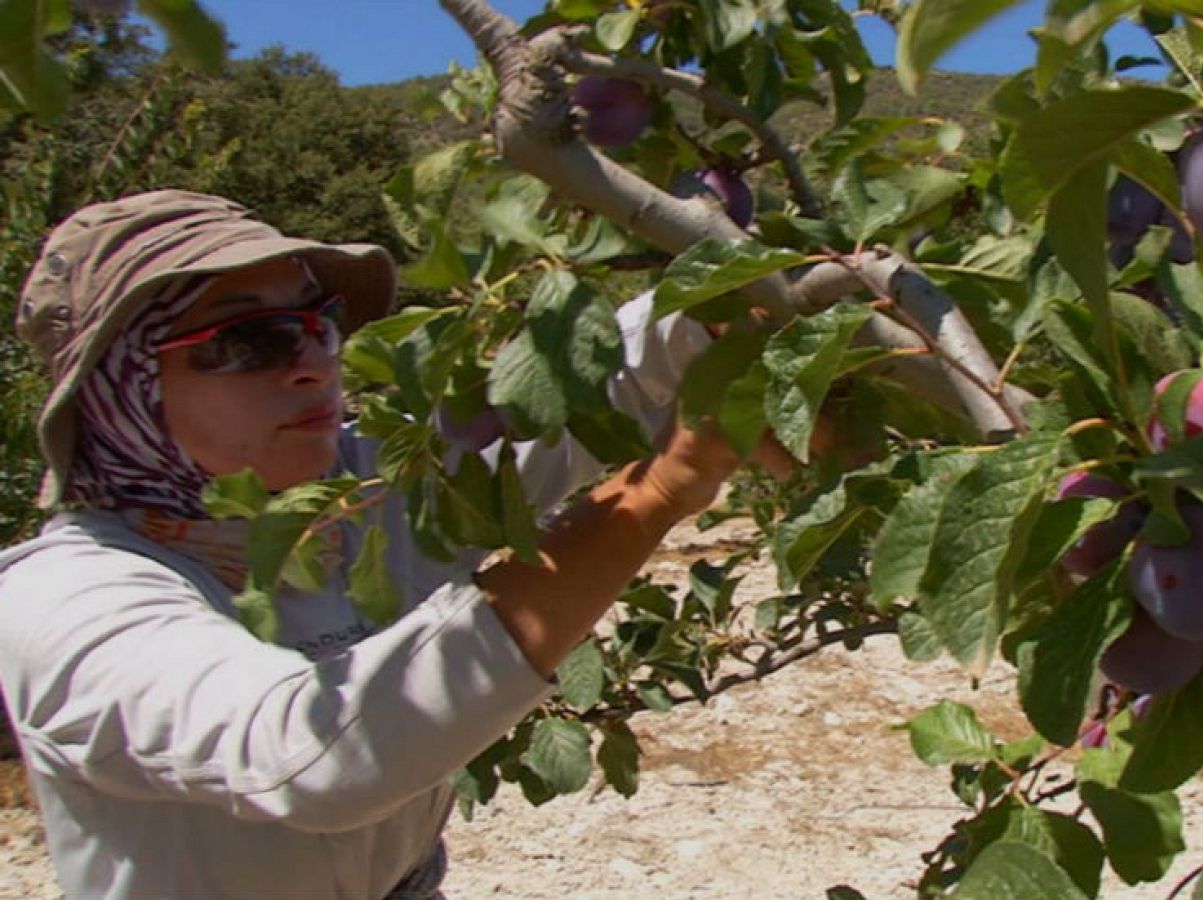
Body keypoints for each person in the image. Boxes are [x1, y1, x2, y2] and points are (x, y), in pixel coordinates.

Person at [0, 190, 747, 899]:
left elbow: (585, 389)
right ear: (122, 387)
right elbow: (307, 756)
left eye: (318, 322)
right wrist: (654, 496)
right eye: (249, 340)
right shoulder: (65, 598)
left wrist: (735, 306)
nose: (313, 361)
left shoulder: (369, 485)